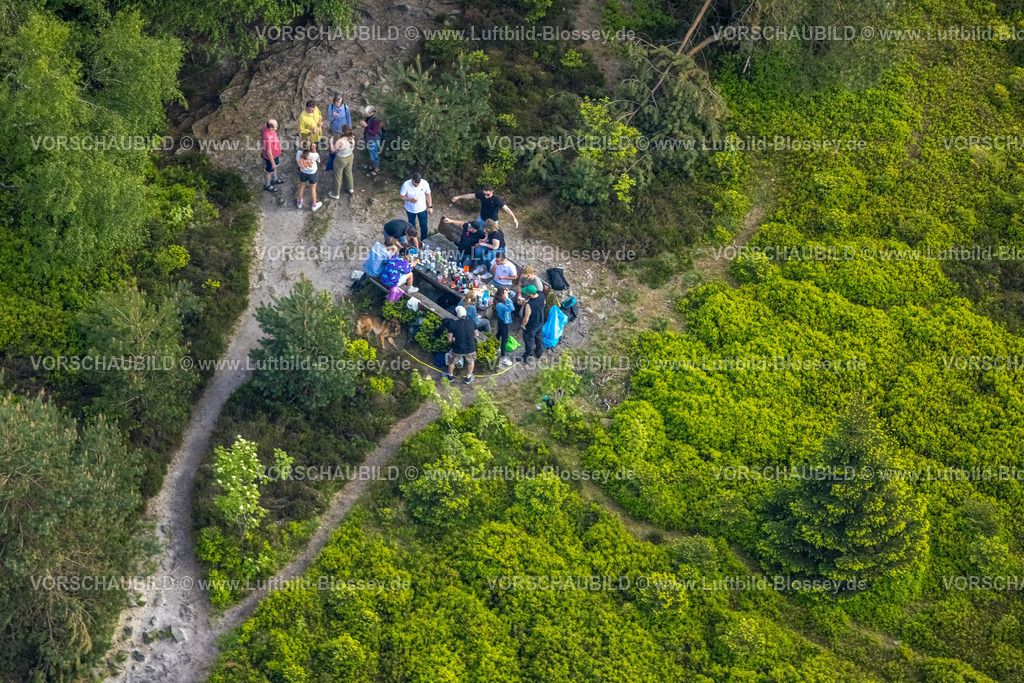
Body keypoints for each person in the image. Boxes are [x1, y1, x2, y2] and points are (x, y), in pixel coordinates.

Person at [449, 186, 519, 231]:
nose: (485, 196)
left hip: (492, 221)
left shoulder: (496, 199)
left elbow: (506, 209)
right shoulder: (482, 194)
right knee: (477, 232)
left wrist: (514, 218)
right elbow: (471, 195)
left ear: (492, 192)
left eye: (488, 194)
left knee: (491, 235)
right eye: (484, 194)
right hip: (482, 218)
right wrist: (458, 197)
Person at [444, 307, 478, 384]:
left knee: (451, 362)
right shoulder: (472, 322)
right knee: (471, 362)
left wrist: (454, 339)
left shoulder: (452, 324)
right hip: (470, 348)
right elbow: (476, 335)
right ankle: (468, 378)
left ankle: (450, 377)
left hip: (457, 348)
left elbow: (450, 339)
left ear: (457, 315)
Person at [400, 172, 432, 240]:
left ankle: (424, 240)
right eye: (415, 184)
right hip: (410, 210)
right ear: (412, 180)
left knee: (424, 226)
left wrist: (430, 206)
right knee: (412, 226)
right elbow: (402, 196)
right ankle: (413, 239)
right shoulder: (406, 184)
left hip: (422, 209)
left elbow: (428, 195)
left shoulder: (424, 183)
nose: (417, 185)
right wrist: (410, 199)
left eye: (418, 184)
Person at [328, 124, 355, 199]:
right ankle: (350, 188)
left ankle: (336, 193)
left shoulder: (340, 141)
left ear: (342, 132)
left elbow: (333, 150)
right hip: (350, 156)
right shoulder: (352, 137)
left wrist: (331, 142)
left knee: (337, 176)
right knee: (349, 172)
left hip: (341, 159)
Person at [520, 285, 545, 365]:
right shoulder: (541, 295)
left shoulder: (529, 305)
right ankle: (539, 352)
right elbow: (543, 303)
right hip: (540, 321)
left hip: (531, 325)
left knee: (529, 341)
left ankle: (527, 356)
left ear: (530, 294)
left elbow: (526, 318)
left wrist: (523, 325)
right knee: (539, 337)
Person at [295, 141, 322, 211]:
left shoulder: (299, 153)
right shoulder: (315, 155)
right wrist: (314, 151)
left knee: (301, 187)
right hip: (312, 173)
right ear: (311, 148)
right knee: (313, 189)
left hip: (303, 172)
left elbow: (298, 162)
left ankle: (299, 203)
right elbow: (318, 161)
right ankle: (314, 205)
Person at [261, 119, 285, 192]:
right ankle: (267, 185)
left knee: (275, 167)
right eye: (276, 125)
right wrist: (273, 163)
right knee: (269, 171)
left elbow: (261, 130)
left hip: (275, 154)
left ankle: (275, 179)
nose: (277, 126)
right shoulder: (268, 138)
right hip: (271, 157)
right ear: (271, 128)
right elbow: (269, 153)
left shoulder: (266, 126)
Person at [362, 105, 385, 176]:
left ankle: (376, 169)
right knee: (371, 154)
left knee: (374, 155)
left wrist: (366, 126)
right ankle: (373, 165)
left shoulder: (376, 120)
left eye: (366, 113)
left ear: (370, 112)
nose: (365, 114)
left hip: (374, 140)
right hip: (369, 139)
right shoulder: (368, 117)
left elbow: (373, 133)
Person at [494, 288, 514, 367]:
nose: (507, 295)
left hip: (501, 320)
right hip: (504, 322)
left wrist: (509, 292)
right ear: (502, 295)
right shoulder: (499, 304)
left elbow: (513, 295)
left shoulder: (503, 300)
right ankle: (503, 357)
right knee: (504, 339)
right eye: (505, 294)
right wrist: (507, 298)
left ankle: (496, 346)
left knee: (499, 332)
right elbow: (511, 308)